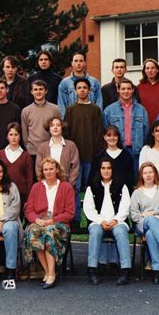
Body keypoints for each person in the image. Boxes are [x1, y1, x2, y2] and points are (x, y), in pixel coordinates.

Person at [25, 158, 75, 289]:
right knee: (33, 232)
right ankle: (48, 271)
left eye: (51, 169)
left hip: (59, 222)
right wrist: (37, 220)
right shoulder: (36, 187)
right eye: (45, 169)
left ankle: (51, 274)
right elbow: (29, 210)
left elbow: (70, 213)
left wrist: (53, 220)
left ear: (57, 169)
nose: (48, 172)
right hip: (40, 220)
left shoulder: (66, 187)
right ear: (42, 171)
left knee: (49, 232)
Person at [83, 158, 132, 285]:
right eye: (103, 168)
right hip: (98, 221)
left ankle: (125, 270)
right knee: (95, 232)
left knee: (121, 232)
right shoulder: (92, 187)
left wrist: (116, 220)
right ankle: (92, 269)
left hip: (118, 221)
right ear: (99, 170)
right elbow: (89, 209)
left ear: (113, 170)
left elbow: (125, 207)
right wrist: (101, 221)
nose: (106, 171)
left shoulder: (122, 186)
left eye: (109, 168)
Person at [64, 77, 104, 223]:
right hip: (74, 157)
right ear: (75, 91)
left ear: (89, 90)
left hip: (91, 155)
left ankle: (90, 219)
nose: (82, 90)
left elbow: (99, 132)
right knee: (74, 187)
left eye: (84, 88)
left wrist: (97, 154)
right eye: (79, 87)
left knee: (91, 188)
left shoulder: (95, 110)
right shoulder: (70, 110)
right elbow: (66, 133)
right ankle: (74, 220)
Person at [103, 78, 149, 179]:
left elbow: (146, 131)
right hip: (117, 150)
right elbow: (106, 131)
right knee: (117, 179)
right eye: (123, 89)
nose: (126, 91)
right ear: (118, 90)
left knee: (135, 179)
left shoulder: (141, 110)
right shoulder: (109, 110)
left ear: (133, 90)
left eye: (129, 89)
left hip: (136, 151)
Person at [0, 122, 34, 214]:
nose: (13, 137)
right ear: (7, 136)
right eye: (11, 134)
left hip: (21, 195)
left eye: (16, 134)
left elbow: (30, 179)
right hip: (2, 194)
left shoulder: (26, 156)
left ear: (20, 137)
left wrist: (28, 200)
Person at [36, 116, 79, 190]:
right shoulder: (42, 147)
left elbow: (75, 168)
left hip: (66, 186)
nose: (55, 127)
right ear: (49, 129)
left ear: (62, 128)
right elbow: (38, 168)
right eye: (52, 125)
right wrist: (45, 184)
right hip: (47, 187)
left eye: (58, 125)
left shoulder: (71, 146)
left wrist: (69, 186)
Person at [21, 80, 60, 161]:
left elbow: (59, 129)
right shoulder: (26, 111)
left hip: (51, 150)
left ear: (46, 91)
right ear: (31, 92)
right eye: (35, 89)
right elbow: (25, 133)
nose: (38, 92)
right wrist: (28, 147)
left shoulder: (55, 109)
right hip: (33, 151)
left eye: (41, 89)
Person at [89, 125, 135, 193]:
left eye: (115, 135)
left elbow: (131, 178)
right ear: (104, 137)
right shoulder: (99, 157)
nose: (112, 138)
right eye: (109, 135)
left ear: (118, 137)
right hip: (103, 194)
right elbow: (93, 179)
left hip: (123, 195)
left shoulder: (126, 156)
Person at [58, 52, 103, 118]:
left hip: (90, 120)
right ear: (72, 63)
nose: (78, 63)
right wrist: (65, 123)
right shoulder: (64, 83)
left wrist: (97, 119)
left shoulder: (94, 82)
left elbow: (99, 103)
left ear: (85, 63)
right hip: (72, 121)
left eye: (81, 61)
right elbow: (61, 105)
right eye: (76, 61)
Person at [137, 58, 159, 126]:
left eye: (153, 68)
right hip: (144, 124)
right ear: (144, 71)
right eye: (147, 68)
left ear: (157, 70)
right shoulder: (139, 87)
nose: (150, 70)